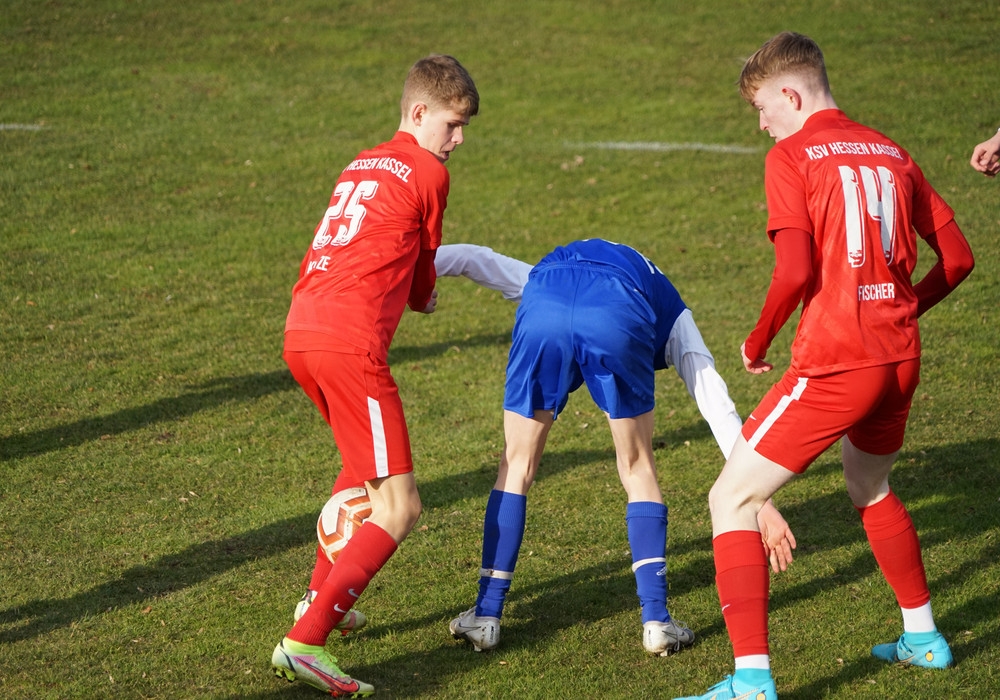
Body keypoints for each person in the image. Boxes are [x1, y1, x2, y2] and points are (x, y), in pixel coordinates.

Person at [674, 32, 975, 700]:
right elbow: (958, 259)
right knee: (870, 486)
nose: (761, 125)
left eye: (762, 108)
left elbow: (794, 271)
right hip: (899, 361)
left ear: (790, 94)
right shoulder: (892, 150)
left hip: (839, 363)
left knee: (731, 499)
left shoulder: (791, 156)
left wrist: (757, 341)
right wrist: (901, 310)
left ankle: (752, 681)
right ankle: (923, 637)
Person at [444, 239, 797, 657]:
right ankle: (657, 622)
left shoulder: (542, 274)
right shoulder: (672, 311)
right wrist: (759, 497)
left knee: (516, 466)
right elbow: (715, 401)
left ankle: (486, 616)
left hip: (545, 306)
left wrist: (407, 273)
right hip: (618, 312)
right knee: (637, 468)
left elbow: (472, 258)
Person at [271, 54, 479, 698]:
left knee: (360, 469)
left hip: (302, 329)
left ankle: (320, 601)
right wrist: (425, 297)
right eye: (452, 124)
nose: (458, 139)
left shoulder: (361, 162)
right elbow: (422, 273)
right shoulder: (430, 172)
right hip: (349, 345)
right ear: (418, 112)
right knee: (399, 505)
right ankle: (306, 643)